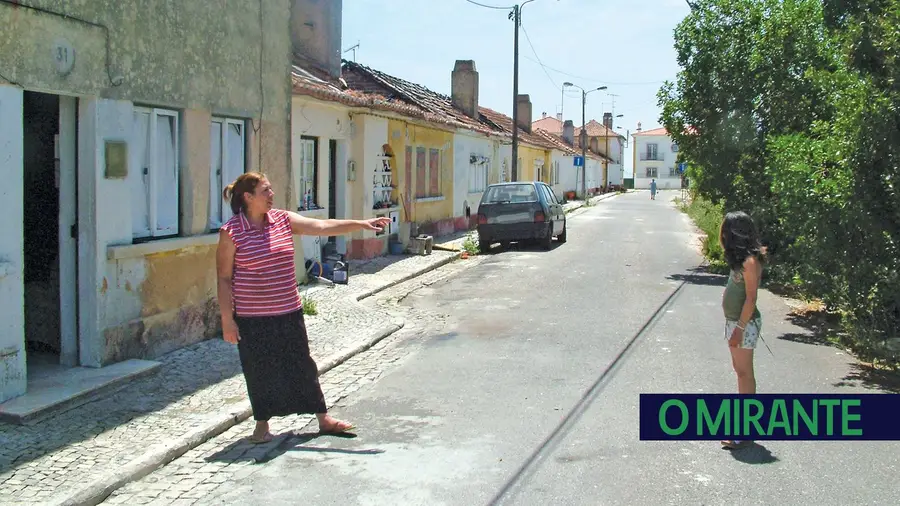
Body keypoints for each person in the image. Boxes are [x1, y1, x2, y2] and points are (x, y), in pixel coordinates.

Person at [216, 172, 391, 443]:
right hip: (252, 317)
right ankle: (262, 425)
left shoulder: (283, 220)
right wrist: (227, 320)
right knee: (258, 368)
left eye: (271, 189)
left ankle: (323, 418)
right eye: (266, 190)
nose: (272, 194)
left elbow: (321, 227)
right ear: (248, 197)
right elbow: (224, 278)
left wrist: (362, 223)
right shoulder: (232, 232)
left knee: (302, 364)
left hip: (288, 310)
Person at [719, 211, 765, 450]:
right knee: (741, 371)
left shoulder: (749, 262)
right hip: (735, 322)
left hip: (743, 324)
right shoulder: (740, 259)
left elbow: (751, 298)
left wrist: (739, 328)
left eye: (726, 231)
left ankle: (744, 429)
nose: (723, 236)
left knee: (745, 373)